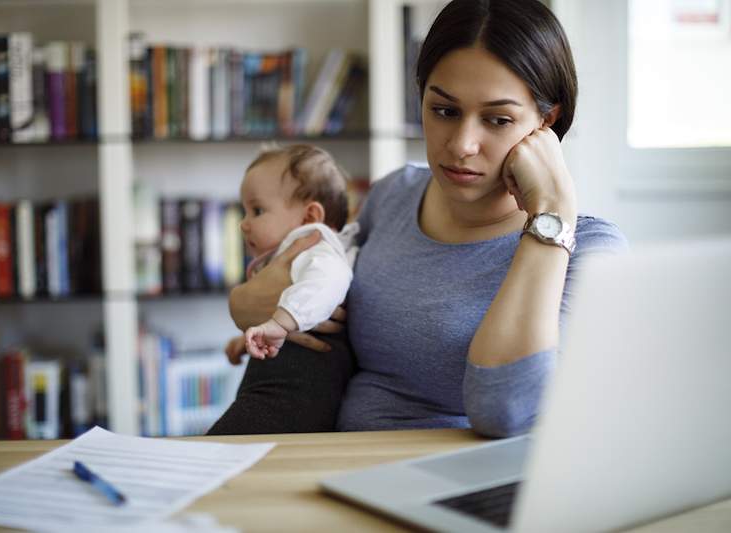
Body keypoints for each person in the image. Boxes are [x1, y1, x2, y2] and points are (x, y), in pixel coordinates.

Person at [210, 0, 627, 438]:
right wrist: (246, 305)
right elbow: (266, 296)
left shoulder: (592, 250)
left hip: (462, 485)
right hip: (335, 464)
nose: (463, 144)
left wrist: (552, 217)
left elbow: (506, 412)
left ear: (547, 120)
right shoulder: (393, 195)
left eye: (498, 119)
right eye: (444, 111)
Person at [211, 145, 359, 434]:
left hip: (301, 386)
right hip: (279, 385)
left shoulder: (318, 248)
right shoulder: (291, 255)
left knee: (225, 445)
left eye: (257, 210)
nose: (243, 224)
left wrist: (279, 324)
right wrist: (249, 338)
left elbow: (327, 283)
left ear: (308, 217)